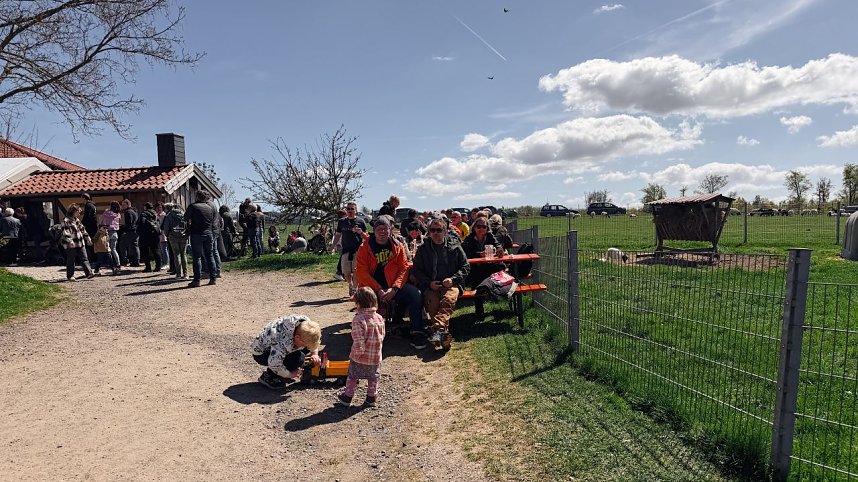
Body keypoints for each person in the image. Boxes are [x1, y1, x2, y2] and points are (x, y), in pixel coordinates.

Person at [355, 217, 426, 350]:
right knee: (364, 298)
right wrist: (379, 289)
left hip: (393, 286)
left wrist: (395, 288)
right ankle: (365, 335)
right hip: (373, 288)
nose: (382, 232)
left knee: (415, 295)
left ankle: (417, 331)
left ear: (390, 230)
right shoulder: (364, 248)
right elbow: (362, 272)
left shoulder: (398, 246)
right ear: (374, 231)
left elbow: (404, 268)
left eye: (385, 229)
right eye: (378, 229)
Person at [411, 217, 470, 350]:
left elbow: (465, 266)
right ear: (429, 232)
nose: (436, 233)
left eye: (439, 230)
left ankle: (437, 331)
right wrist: (429, 283)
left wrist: (453, 279)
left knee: (448, 300)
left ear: (445, 231)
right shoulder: (423, 249)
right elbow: (417, 270)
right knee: (433, 304)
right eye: (432, 230)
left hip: (451, 284)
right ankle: (443, 337)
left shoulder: (455, 246)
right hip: (431, 285)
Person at [336, 287, 385, 406]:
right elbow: (382, 335)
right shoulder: (379, 318)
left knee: (353, 376)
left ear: (358, 303)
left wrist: (356, 354)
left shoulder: (358, 319)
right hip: (375, 355)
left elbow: (358, 340)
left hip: (360, 356)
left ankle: (347, 397)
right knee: (373, 377)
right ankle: (371, 397)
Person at [252, 314, 322, 389]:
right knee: (298, 359)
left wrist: (314, 354)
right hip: (262, 353)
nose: (305, 347)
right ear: (297, 337)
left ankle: (282, 372)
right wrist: (290, 374)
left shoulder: (306, 324)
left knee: (307, 346)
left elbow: (313, 340)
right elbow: (274, 364)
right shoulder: (284, 342)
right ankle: (270, 376)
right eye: (304, 344)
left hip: (277, 345)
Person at [461, 217, 506, 319]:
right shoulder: (470, 238)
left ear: (487, 228)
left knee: (502, 267)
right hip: (475, 267)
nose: (481, 229)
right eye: (479, 226)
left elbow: (497, 244)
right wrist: (478, 254)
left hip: (488, 265)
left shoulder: (489, 236)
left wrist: (499, 249)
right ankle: (479, 309)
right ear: (474, 228)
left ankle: (497, 292)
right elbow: (464, 253)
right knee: (477, 280)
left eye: (484, 226)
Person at [331, 201, 368, 298]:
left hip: (358, 250)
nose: (350, 210)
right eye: (348, 209)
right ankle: (350, 284)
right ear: (346, 210)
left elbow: (366, 237)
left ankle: (355, 290)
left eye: (352, 209)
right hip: (346, 250)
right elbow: (338, 235)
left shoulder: (361, 222)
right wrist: (332, 246)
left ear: (356, 210)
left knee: (356, 271)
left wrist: (360, 232)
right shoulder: (342, 222)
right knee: (346, 272)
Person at [184, 190, 218, 287]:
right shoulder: (210, 207)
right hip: (208, 233)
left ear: (197, 197)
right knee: (210, 256)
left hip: (196, 234)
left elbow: (185, 218)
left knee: (197, 257)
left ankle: (197, 280)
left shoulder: (193, 206)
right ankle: (213, 278)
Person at [60, 204, 94, 281]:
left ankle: (89, 273)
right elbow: (65, 232)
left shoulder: (77, 220)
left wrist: (88, 238)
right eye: (78, 211)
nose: (79, 213)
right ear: (73, 211)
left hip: (80, 243)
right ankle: (70, 276)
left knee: (84, 258)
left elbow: (83, 230)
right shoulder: (65, 221)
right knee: (71, 260)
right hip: (71, 244)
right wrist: (70, 241)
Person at [161, 203, 188, 279]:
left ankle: (178, 274)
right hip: (183, 236)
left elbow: (166, 227)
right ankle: (185, 274)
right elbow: (187, 225)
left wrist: (168, 235)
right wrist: (187, 234)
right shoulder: (183, 214)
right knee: (184, 254)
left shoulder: (169, 216)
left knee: (176, 255)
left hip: (173, 237)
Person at [137, 202, 162, 273]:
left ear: (145, 207)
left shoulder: (143, 214)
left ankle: (148, 267)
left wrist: (139, 232)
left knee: (145, 251)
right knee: (156, 250)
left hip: (145, 235)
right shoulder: (155, 214)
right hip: (155, 234)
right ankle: (158, 267)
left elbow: (141, 223)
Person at [101, 202, 122, 271]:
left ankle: (110, 264)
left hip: (108, 232)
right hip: (115, 233)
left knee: (107, 250)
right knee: (114, 249)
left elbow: (102, 221)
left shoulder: (107, 213)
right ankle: (118, 264)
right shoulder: (118, 214)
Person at [118, 199, 140, 267]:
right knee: (134, 245)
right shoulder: (134, 211)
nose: (122, 206)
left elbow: (129, 223)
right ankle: (136, 261)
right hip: (136, 231)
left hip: (130, 231)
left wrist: (124, 228)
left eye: (123, 205)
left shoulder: (128, 212)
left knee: (122, 245)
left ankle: (125, 260)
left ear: (128, 204)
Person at [154, 202, 171, 274]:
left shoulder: (164, 215)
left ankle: (167, 263)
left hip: (163, 233)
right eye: (157, 208)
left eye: (160, 207)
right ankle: (164, 262)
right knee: (161, 249)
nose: (158, 209)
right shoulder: (156, 215)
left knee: (164, 249)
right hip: (158, 234)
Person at [81, 193, 98, 261]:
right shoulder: (93, 205)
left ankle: (92, 258)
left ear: (84, 198)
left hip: (90, 226)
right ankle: (94, 257)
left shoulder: (88, 205)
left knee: (89, 242)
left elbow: (87, 216)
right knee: (93, 242)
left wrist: (81, 224)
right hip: (94, 225)